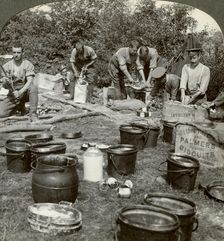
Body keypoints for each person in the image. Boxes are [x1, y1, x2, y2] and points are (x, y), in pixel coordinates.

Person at [0, 43, 38, 120]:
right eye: (14, 52)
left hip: (25, 93)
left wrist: (20, 92)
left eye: (18, 52)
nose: (16, 55)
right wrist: (5, 82)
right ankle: (19, 107)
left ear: (22, 53)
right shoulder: (6, 66)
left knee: (33, 88)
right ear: (12, 53)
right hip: (13, 94)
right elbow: (4, 86)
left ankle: (33, 114)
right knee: (1, 113)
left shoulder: (28, 64)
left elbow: (30, 82)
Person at [180, 35, 210, 105]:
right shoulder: (186, 67)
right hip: (188, 96)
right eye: (190, 58)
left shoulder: (205, 69)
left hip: (200, 98)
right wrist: (183, 95)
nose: (192, 60)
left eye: (194, 58)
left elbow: (202, 89)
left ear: (199, 56)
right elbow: (183, 82)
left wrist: (192, 98)